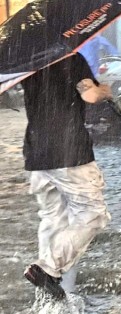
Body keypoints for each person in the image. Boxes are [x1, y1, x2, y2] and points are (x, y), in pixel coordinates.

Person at [20, 53, 113, 301]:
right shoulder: (70, 57)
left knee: (53, 220)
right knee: (93, 215)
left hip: (38, 151)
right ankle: (48, 269)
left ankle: (51, 298)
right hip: (69, 151)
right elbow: (90, 95)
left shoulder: (27, 60)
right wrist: (105, 90)